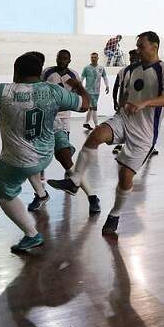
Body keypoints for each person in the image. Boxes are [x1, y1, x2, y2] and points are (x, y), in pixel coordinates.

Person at [48, 31, 164, 235]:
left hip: (144, 133)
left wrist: (145, 103)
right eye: (136, 46)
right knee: (95, 135)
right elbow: (127, 91)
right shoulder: (131, 69)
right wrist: (122, 104)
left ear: (154, 47)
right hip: (125, 119)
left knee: (124, 178)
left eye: (141, 46)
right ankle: (74, 181)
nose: (137, 49)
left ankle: (115, 214)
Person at [0, 49, 89, 252]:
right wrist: (80, 88)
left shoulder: (7, 91)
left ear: (16, 73)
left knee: (5, 193)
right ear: (39, 73)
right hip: (45, 157)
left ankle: (32, 235)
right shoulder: (53, 91)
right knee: (3, 168)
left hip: (19, 160)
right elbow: (85, 105)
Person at [34, 49, 101, 215]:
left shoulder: (74, 75)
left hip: (62, 121)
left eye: (65, 58)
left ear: (69, 60)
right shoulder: (47, 73)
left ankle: (88, 193)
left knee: (66, 159)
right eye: (60, 57)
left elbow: (82, 99)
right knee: (35, 162)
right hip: (45, 119)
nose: (62, 60)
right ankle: (41, 193)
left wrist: (78, 87)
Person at [111, 49, 153, 155]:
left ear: (139, 58)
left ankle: (150, 146)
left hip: (139, 105)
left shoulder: (147, 71)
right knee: (123, 124)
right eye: (132, 56)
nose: (134, 58)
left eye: (136, 57)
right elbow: (116, 87)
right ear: (129, 58)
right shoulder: (123, 71)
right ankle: (120, 144)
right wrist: (115, 101)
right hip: (124, 104)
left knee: (143, 126)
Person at [81, 52, 110, 130]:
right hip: (89, 92)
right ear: (90, 58)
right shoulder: (86, 68)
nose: (93, 59)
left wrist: (107, 85)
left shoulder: (101, 68)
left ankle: (86, 123)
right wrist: (80, 88)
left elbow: (105, 77)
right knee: (94, 108)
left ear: (97, 58)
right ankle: (97, 125)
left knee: (91, 108)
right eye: (92, 57)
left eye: (95, 57)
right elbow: (82, 78)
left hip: (97, 91)